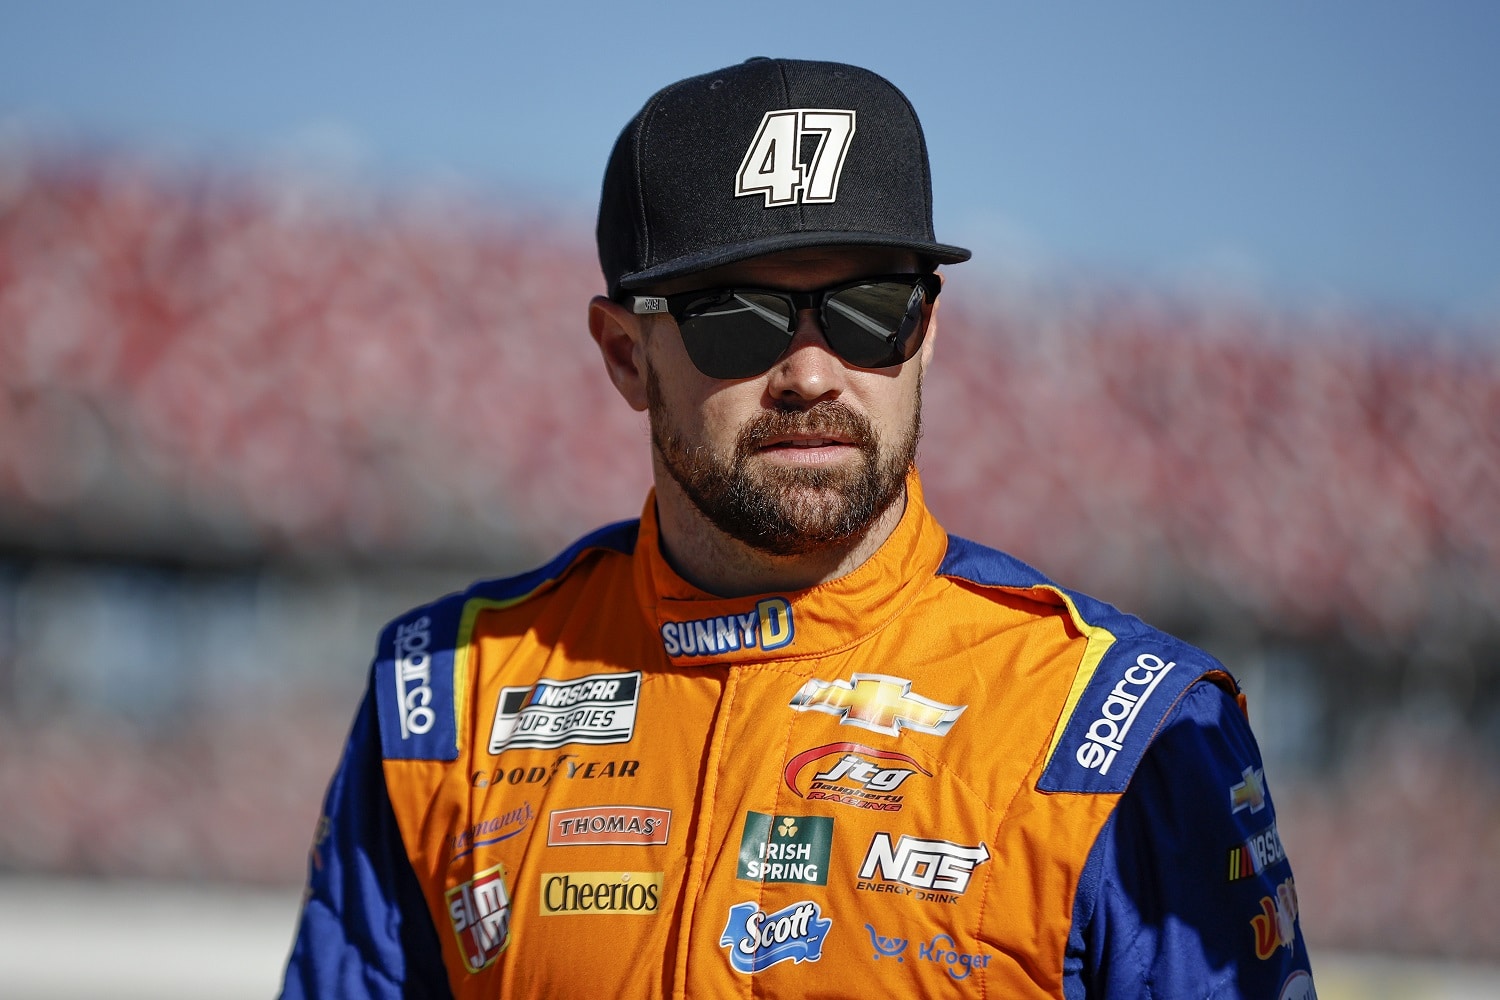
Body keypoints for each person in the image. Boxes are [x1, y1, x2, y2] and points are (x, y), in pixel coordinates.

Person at [280, 57, 1314, 999]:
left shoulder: (1127, 733)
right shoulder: (443, 700)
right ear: (624, 355)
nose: (812, 373)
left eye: (870, 309)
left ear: (929, 330)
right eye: (738, 315)